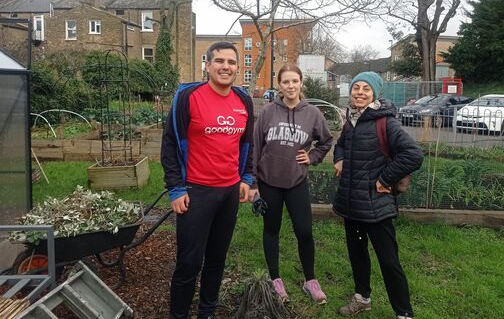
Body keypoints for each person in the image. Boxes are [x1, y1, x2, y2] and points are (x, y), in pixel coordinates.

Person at [161, 41, 254, 319]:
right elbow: (169, 145)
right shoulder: (189, 97)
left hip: (228, 192)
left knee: (216, 259)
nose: (226, 67)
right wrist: (176, 188)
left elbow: (247, 144)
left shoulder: (243, 100)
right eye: (219, 61)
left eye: (231, 62)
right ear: (208, 65)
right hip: (196, 192)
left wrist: (246, 177)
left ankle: (207, 312)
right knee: (189, 262)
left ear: (237, 68)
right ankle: (178, 315)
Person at [333, 71, 423, 319]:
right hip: (353, 204)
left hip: (377, 207)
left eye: (366, 89)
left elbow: (413, 155)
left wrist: (384, 179)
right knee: (357, 255)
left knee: (389, 261)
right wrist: (339, 158)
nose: (360, 92)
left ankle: (404, 313)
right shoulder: (352, 119)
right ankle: (362, 299)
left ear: (374, 93)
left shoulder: (385, 121)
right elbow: (341, 143)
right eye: (356, 88)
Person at [250, 64, 333, 304]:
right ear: (279, 85)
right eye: (285, 82)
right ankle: (276, 279)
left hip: (296, 181)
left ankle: (310, 280)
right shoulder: (268, 112)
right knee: (271, 230)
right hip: (269, 182)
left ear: (301, 83)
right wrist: (253, 184)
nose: (290, 86)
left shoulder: (313, 113)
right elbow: (255, 147)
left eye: (294, 81)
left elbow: (326, 141)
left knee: (305, 231)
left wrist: (313, 156)